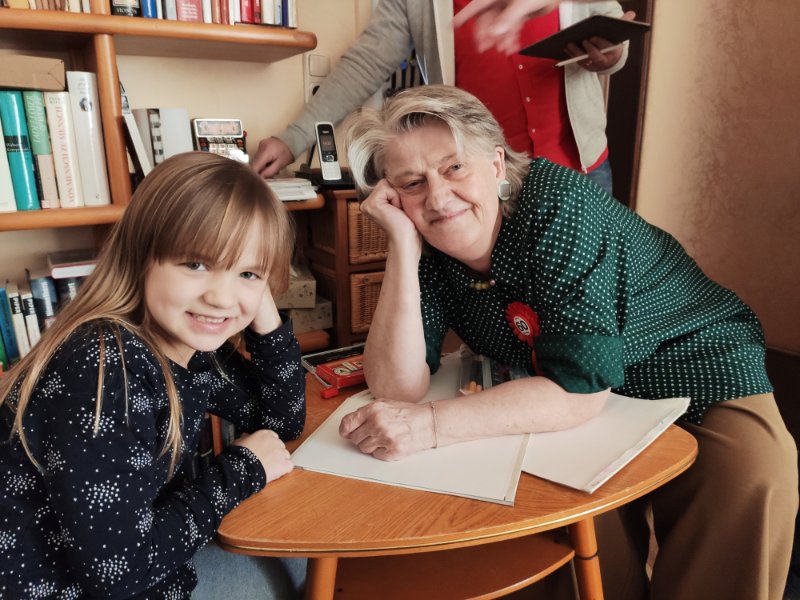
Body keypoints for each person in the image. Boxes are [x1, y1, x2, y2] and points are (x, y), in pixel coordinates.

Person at [338, 85, 797, 599]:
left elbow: (578, 389)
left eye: (455, 168)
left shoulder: (557, 203)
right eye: (412, 183)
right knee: (571, 528)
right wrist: (401, 247)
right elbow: (396, 387)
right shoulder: (425, 241)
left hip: (689, 358)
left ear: (495, 163)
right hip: (562, 390)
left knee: (752, 479)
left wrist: (430, 425)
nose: (439, 198)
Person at [0, 152, 306, 599]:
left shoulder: (184, 345)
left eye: (247, 273)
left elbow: (280, 422)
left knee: (301, 554)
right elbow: (118, 575)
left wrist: (262, 307)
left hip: (142, 566)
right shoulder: (105, 371)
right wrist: (241, 470)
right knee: (303, 567)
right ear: (141, 255)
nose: (221, 298)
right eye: (196, 264)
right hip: (70, 589)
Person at [251, 0, 630, 195]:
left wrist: (611, 55)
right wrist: (293, 137)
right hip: (481, 177)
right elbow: (366, 63)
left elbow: (613, 27)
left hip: (582, 168)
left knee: (585, 303)